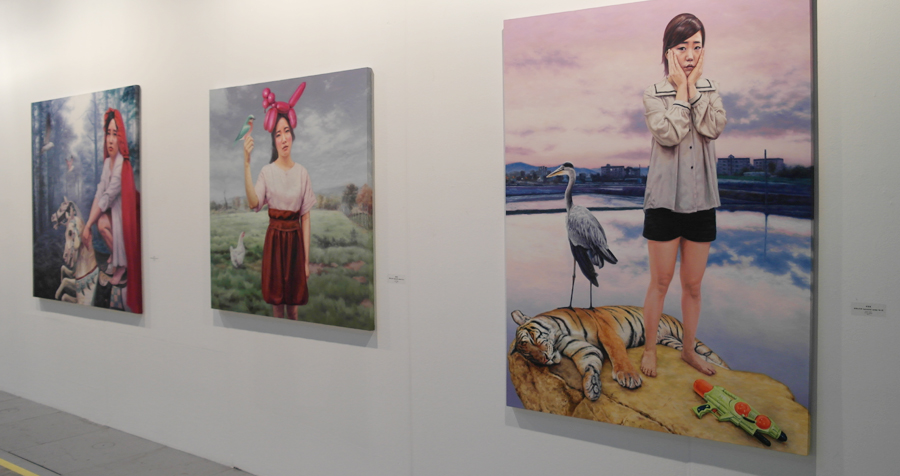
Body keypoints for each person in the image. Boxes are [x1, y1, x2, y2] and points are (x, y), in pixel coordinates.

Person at [639, 13, 726, 377]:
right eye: (682, 47)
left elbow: (713, 127)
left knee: (693, 285)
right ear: (668, 51)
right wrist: (680, 93)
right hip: (664, 202)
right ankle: (649, 349)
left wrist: (694, 91)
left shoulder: (711, 89)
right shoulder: (653, 93)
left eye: (697, 47)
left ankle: (689, 350)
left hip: (702, 202)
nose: (690, 55)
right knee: (660, 282)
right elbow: (669, 134)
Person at [243, 88, 316, 320]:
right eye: (278, 134)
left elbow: (305, 218)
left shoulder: (302, 173)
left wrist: (305, 262)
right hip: (274, 245)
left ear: (292, 135)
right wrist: (247, 163)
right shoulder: (267, 172)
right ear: (274, 141)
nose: (283, 138)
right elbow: (254, 203)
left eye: (286, 132)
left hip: (295, 245)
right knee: (277, 308)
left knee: (293, 308)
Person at [82, 108, 143, 313]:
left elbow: (107, 197)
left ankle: (122, 265)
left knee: (102, 223)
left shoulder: (121, 166)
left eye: (115, 134)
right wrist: (88, 224)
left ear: (121, 139)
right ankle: (116, 257)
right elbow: (100, 192)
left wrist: (88, 225)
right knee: (101, 224)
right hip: (113, 213)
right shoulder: (108, 162)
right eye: (107, 133)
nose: (110, 140)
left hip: (124, 216)